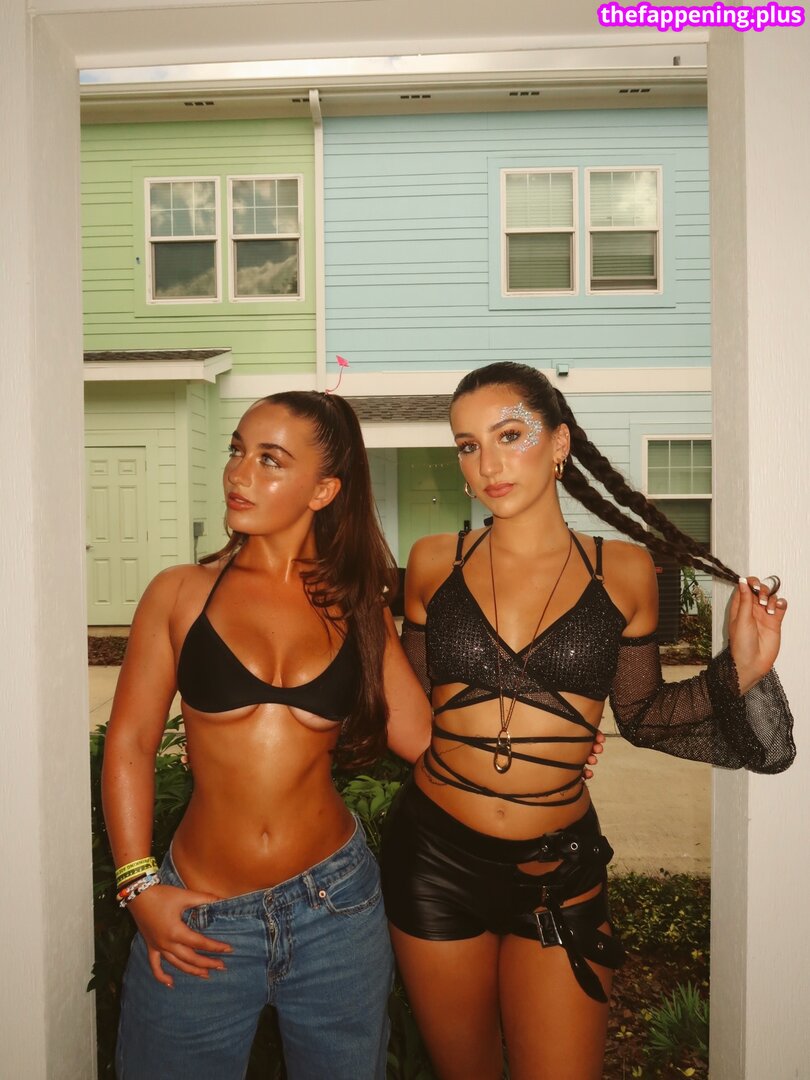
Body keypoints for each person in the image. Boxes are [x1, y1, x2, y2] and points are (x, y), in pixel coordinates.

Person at [380, 361, 795, 1080]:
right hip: (434, 859)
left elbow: (645, 715)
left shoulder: (624, 572)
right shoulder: (432, 563)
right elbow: (414, 711)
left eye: (510, 435)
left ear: (559, 442)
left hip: (559, 869)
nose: (488, 464)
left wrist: (740, 669)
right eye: (468, 445)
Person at [102, 390, 433, 1080]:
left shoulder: (357, 607)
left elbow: (423, 739)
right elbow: (130, 743)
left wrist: (540, 751)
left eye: (270, 460)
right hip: (199, 914)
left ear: (324, 490)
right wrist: (139, 887)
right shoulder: (181, 593)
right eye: (237, 451)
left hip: (336, 909)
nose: (238, 473)